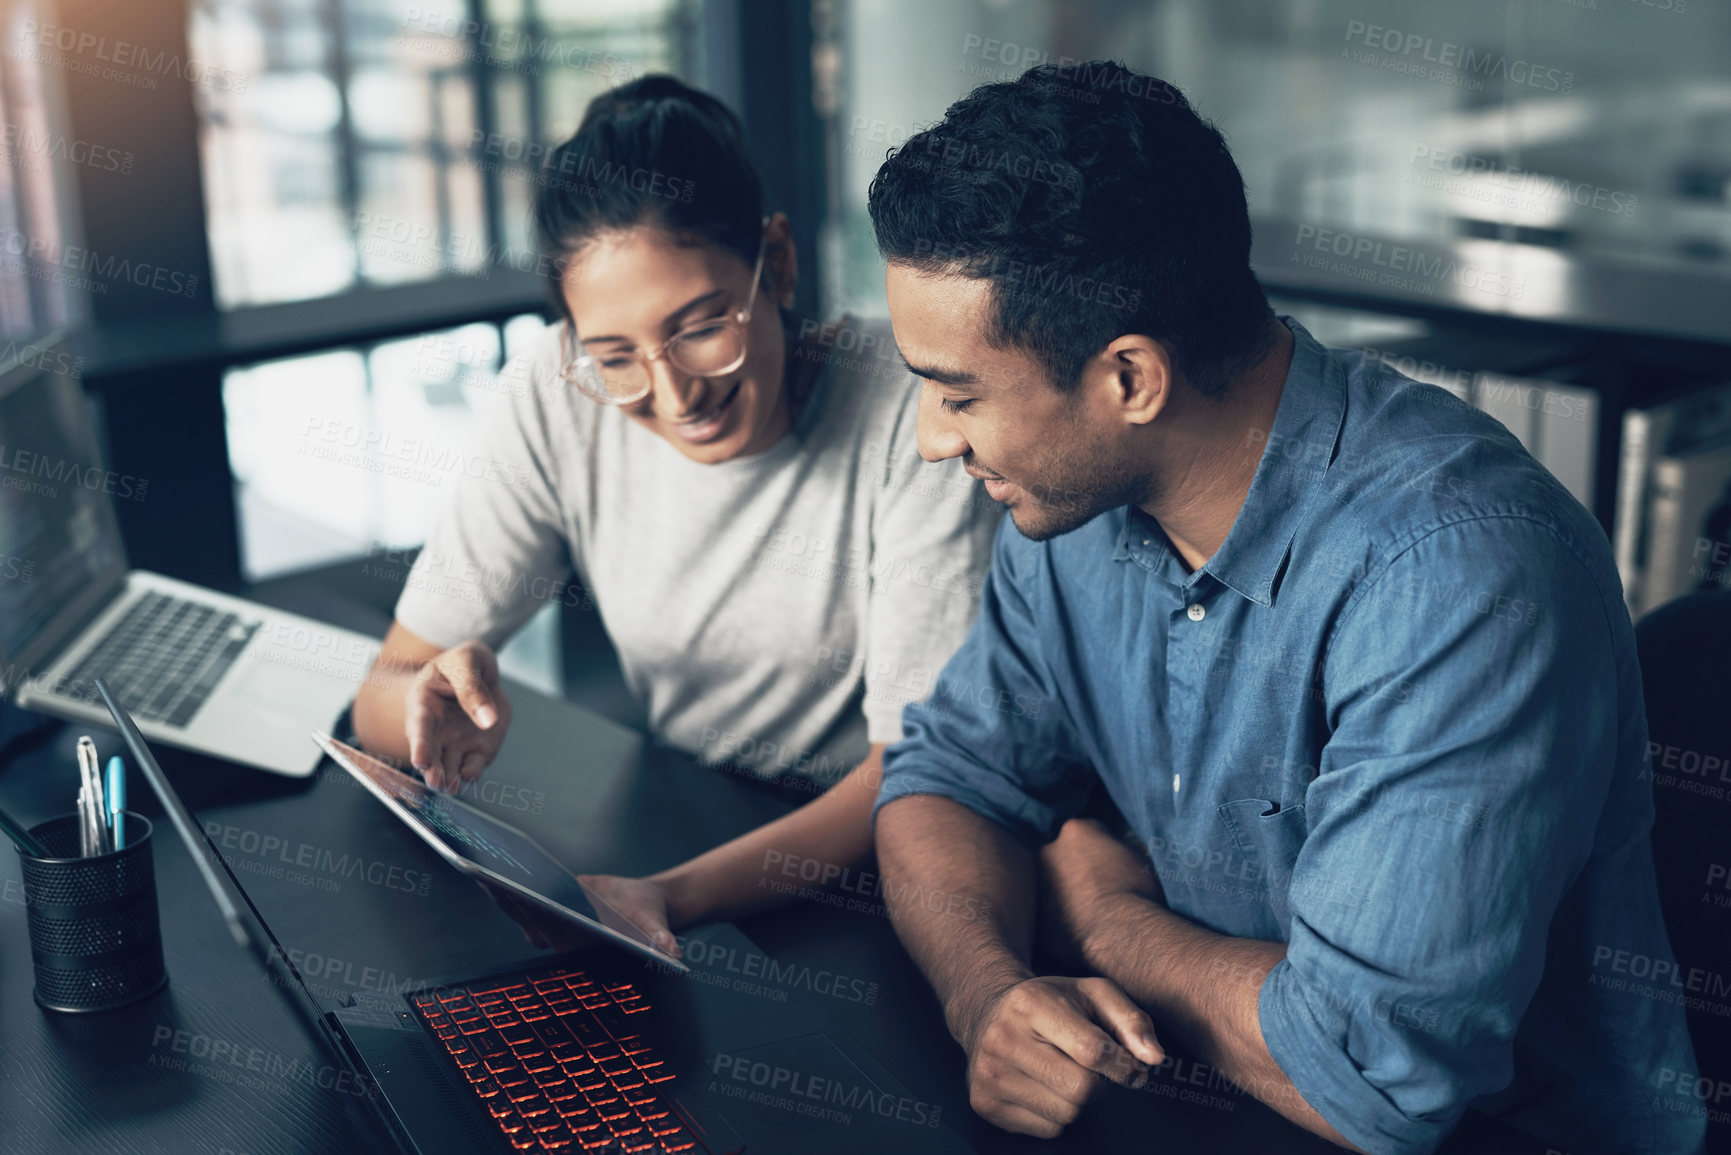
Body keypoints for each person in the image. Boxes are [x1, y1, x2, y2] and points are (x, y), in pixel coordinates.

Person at [865, 60, 1704, 1155]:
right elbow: (948, 781)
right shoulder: (1067, 509)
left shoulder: (1463, 574)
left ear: (1129, 380)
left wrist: (1105, 919)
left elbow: (1372, 1079)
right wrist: (988, 994)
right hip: (1205, 1106)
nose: (933, 439)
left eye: (959, 392)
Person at [350, 75, 999, 953]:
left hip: (876, 871)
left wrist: (667, 898)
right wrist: (424, 700)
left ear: (779, 262)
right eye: (613, 355)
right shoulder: (553, 392)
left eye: (700, 328)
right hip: (680, 809)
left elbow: (910, 775)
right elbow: (378, 697)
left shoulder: (905, 407)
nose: (672, 394)